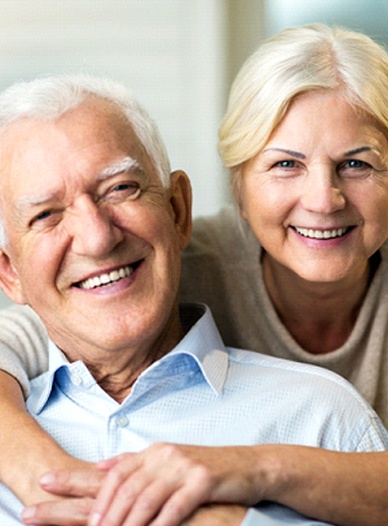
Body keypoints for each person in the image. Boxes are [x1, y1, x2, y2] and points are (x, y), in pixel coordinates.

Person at [0, 22, 387, 526]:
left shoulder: (324, 414)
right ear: (239, 187)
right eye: (286, 164)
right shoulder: (184, 261)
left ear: (177, 210)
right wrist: (47, 478)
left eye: (357, 164)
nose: (322, 200)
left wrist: (250, 476)